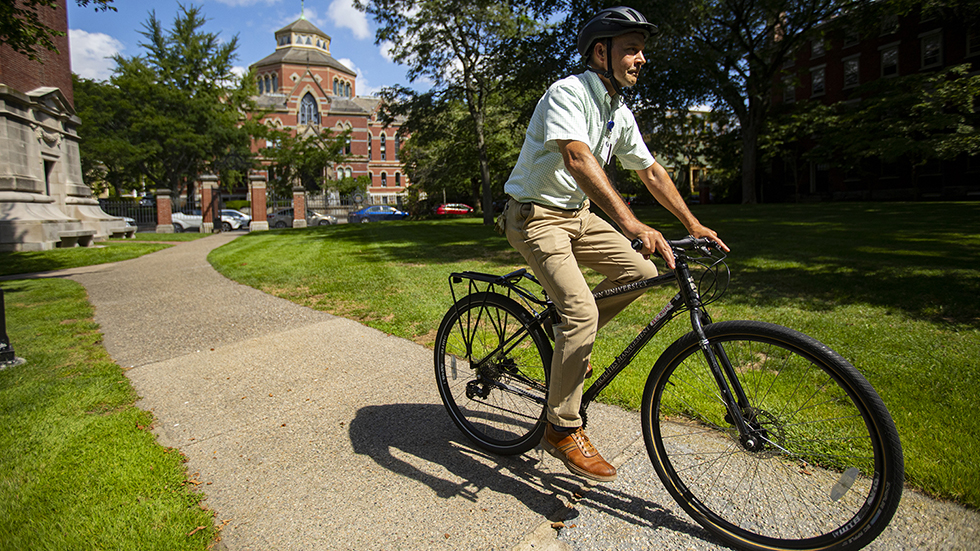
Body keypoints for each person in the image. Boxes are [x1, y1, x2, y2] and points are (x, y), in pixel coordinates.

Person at [500, 6, 729, 483]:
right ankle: (560, 428)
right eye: (631, 48)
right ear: (600, 53)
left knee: (642, 273)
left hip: (577, 216)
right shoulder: (569, 92)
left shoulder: (617, 111)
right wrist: (631, 225)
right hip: (534, 217)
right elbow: (579, 160)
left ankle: (570, 349)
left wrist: (694, 222)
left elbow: (649, 171)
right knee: (582, 313)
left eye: (642, 49)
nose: (641, 58)